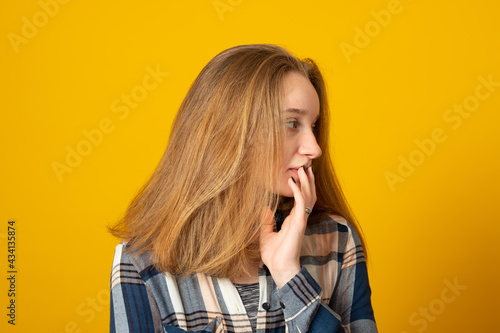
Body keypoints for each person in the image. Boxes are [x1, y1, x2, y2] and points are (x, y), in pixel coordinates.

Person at [108, 44, 378, 332]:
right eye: (291, 123)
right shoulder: (141, 262)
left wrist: (288, 274)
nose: (314, 148)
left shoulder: (336, 241)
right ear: (232, 130)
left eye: (313, 125)